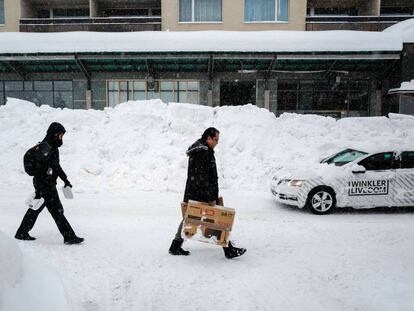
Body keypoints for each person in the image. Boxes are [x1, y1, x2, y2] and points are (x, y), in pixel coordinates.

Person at [168, 127, 246, 259]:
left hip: (196, 192)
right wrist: (210, 198)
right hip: (201, 194)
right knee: (218, 219)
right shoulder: (203, 153)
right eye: (215, 139)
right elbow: (202, 178)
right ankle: (228, 250)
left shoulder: (202, 150)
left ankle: (175, 246)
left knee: (189, 218)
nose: (217, 142)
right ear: (208, 138)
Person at [15, 122, 84, 245]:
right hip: (44, 185)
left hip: (48, 184)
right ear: (54, 134)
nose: (61, 138)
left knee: (38, 209)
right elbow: (40, 170)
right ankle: (69, 236)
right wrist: (40, 189)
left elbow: (56, 166)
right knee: (56, 211)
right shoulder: (45, 148)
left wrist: (65, 179)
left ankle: (22, 232)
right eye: (60, 135)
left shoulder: (53, 148)